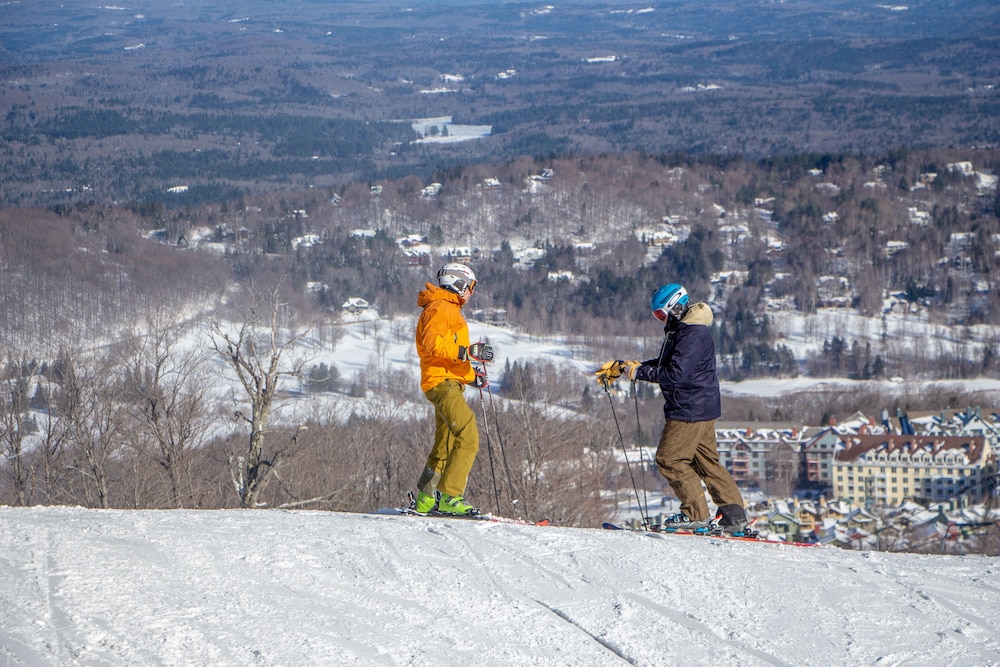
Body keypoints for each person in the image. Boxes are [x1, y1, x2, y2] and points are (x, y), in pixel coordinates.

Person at [595, 283, 747, 533]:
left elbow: (675, 374)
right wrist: (628, 366)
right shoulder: (683, 331)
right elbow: (669, 363)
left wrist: (639, 372)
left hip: (689, 408)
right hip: (700, 406)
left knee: (669, 459)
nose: (659, 320)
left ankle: (696, 514)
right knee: (706, 462)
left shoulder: (691, 335)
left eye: (660, 314)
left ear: (674, 307)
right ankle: (734, 515)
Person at [413, 263, 494, 515]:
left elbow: (448, 358)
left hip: (445, 381)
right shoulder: (441, 308)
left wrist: (472, 377)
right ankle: (450, 497)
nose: (471, 293)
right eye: (470, 288)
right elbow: (432, 344)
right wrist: (467, 352)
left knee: (445, 442)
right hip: (442, 384)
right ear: (459, 284)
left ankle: (426, 498)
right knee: (468, 436)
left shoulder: (447, 308)